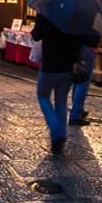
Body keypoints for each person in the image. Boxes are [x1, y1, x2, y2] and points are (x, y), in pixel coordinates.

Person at [31, 12, 82, 154]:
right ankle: (59, 139)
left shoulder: (46, 13)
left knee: (42, 96)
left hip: (49, 65)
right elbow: (79, 39)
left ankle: (56, 130)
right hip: (67, 66)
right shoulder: (73, 15)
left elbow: (36, 35)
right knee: (61, 101)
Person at [69, 33, 101, 126]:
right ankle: (75, 114)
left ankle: (78, 109)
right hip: (87, 47)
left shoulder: (77, 19)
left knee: (78, 79)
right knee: (83, 82)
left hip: (77, 46)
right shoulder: (91, 20)